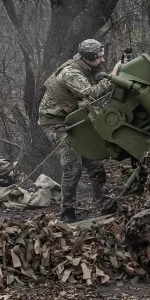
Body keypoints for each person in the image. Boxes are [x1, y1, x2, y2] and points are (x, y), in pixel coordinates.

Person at [38, 39, 118, 222]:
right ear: (88, 58)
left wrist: (105, 76)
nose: (102, 61)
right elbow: (91, 94)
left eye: (102, 56)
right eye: (98, 58)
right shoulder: (70, 73)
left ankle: (106, 204)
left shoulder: (90, 68)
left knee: (95, 160)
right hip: (55, 122)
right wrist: (114, 76)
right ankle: (67, 212)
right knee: (73, 166)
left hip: (76, 117)